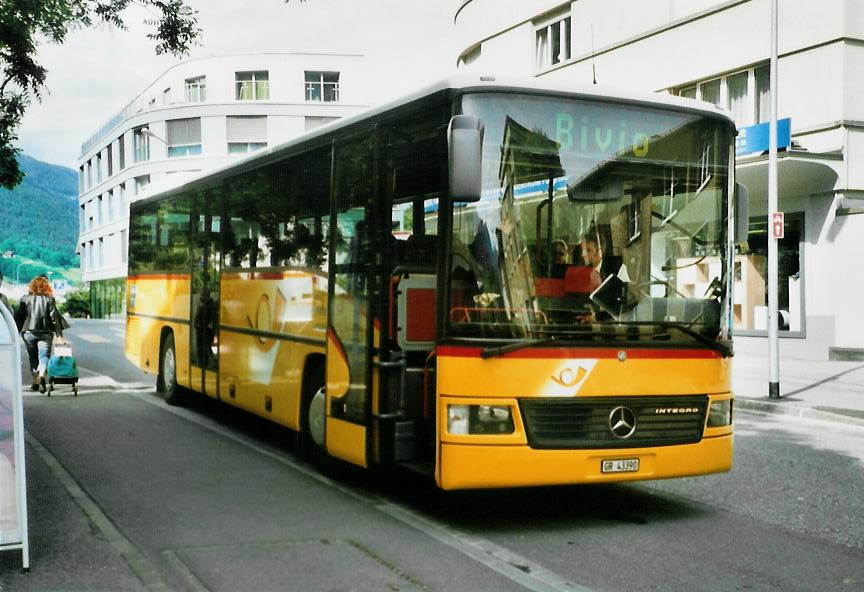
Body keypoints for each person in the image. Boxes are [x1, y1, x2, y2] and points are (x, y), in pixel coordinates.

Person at [17, 275, 68, 393]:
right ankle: (42, 375)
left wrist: (16, 332)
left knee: (32, 357)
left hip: (28, 332)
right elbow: (54, 317)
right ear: (46, 287)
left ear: (32, 286)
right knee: (44, 356)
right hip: (46, 332)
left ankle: (35, 382)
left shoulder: (24, 299)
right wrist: (59, 335)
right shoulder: (49, 299)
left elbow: (20, 317)